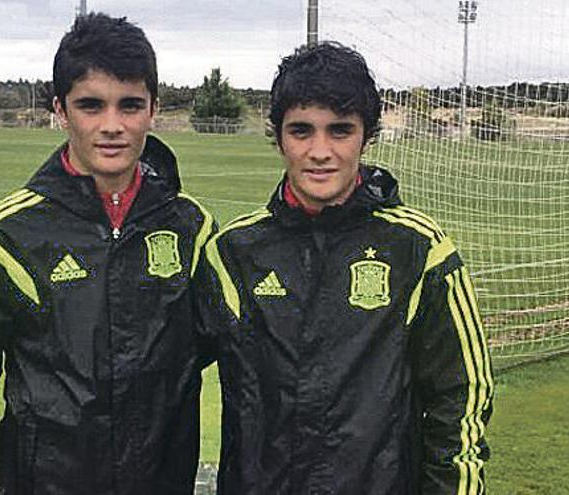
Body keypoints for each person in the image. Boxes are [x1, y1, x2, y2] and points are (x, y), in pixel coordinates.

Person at [0, 13, 213, 494]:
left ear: (153, 109)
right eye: (91, 106)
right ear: (60, 110)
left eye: (130, 105)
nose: (112, 126)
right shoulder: (6, 238)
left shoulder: (192, 229)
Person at [196, 42, 494, 494]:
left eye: (340, 131)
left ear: (366, 135)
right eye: (301, 131)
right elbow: (154, 372)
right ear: (277, 136)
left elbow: (462, 398)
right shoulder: (233, 252)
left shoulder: (417, 250)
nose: (320, 151)